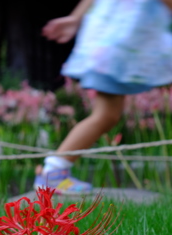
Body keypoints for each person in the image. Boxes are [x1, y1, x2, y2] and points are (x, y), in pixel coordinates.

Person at [34, 0, 172, 195]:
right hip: (120, 49)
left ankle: (54, 171)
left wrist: (75, 17)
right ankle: (53, 173)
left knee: (107, 115)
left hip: (110, 47)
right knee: (105, 115)